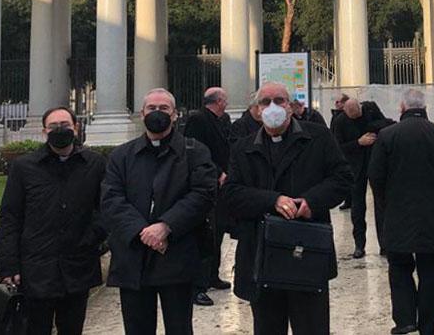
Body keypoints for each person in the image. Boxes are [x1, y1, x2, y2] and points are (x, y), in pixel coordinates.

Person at [223, 82, 353, 335]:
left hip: (306, 251)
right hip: (261, 255)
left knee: (312, 327)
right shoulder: (243, 147)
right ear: (257, 110)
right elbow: (231, 194)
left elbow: (343, 178)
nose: (273, 107)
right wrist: (272, 200)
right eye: (265, 102)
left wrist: (311, 202)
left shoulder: (318, 137)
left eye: (279, 101)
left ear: (291, 107)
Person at [101, 88, 216, 335]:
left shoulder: (195, 151)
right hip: (134, 255)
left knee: (179, 328)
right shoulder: (121, 155)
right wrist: (143, 231)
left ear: (175, 115)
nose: (157, 112)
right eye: (151, 108)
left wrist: (166, 225)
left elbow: (203, 194)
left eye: (164, 108)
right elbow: (111, 198)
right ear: (142, 113)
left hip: (176, 253)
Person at [0, 106, 106, 335]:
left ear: (76, 128)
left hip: (78, 266)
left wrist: (92, 237)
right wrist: (8, 265)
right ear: (44, 131)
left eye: (65, 125)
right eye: (53, 126)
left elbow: (105, 209)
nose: (59, 130)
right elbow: (10, 217)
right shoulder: (24, 167)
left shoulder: (94, 164)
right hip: (36, 270)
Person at [369, 89, 434, 335]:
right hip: (433, 215)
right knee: (432, 271)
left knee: (399, 267)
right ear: (424, 108)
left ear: (402, 108)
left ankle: (405, 319)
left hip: (398, 213)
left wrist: (386, 205)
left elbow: (375, 177)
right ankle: (428, 326)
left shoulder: (387, 136)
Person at [183, 87, 234, 305]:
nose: (227, 104)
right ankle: (198, 286)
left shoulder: (222, 121)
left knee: (218, 231)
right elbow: (195, 151)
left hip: (221, 185)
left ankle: (213, 275)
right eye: (225, 100)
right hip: (207, 183)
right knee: (206, 234)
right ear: (218, 101)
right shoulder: (198, 120)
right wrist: (217, 172)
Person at [331, 97, 393, 258]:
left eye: (358, 114)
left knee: (381, 204)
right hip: (355, 168)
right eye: (352, 116)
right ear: (345, 111)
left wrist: (371, 128)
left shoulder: (370, 108)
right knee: (357, 208)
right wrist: (359, 142)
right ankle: (359, 245)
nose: (356, 117)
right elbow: (338, 148)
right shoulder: (339, 122)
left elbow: (386, 124)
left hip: (375, 162)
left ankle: (385, 245)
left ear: (360, 107)